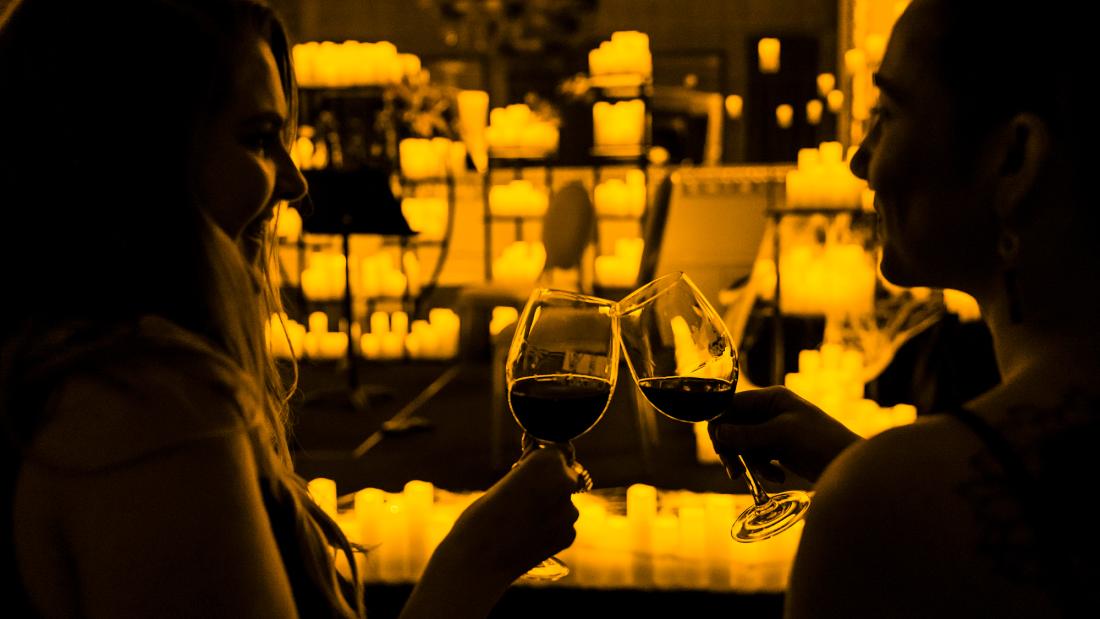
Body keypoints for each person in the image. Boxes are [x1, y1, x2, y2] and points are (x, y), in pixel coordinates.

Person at [0, 1, 579, 617]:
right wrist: (477, 559)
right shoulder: (151, 407)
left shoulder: (62, 371)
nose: (296, 182)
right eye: (258, 139)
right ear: (134, 156)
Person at [710, 0, 1099, 616]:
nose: (860, 160)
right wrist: (855, 462)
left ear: (1014, 159)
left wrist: (872, 487)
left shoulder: (883, 511)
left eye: (886, 115)